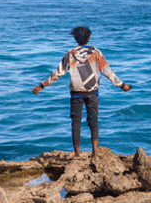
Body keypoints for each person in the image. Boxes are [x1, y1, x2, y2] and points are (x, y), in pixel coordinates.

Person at [32, 26, 131, 157]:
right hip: (92, 92)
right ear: (88, 38)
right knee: (94, 122)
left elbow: (58, 73)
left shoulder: (70, 54)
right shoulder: (96, 53)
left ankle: (77, 154)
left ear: (75, 38)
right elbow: (107, 71)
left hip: (76, 93)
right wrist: (121, 85)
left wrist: (42, 85)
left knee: (76, 123)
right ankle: (95, 152)